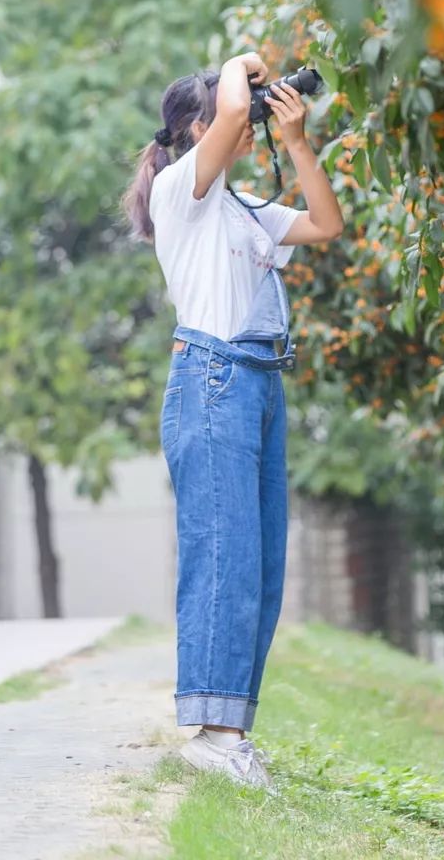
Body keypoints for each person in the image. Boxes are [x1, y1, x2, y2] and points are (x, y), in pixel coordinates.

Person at [123, 52, 344, 791]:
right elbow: (223, 113)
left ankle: (231, 733)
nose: (246, 120)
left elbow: (325, 223)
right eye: (238, 110)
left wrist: (296, 141)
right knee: (223, 557)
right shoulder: (180, 192)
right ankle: (210, 737)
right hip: (210, 378)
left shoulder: (243, 209)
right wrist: (243, 67)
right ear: (195, 125)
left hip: (256, 388)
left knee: (258, 566)